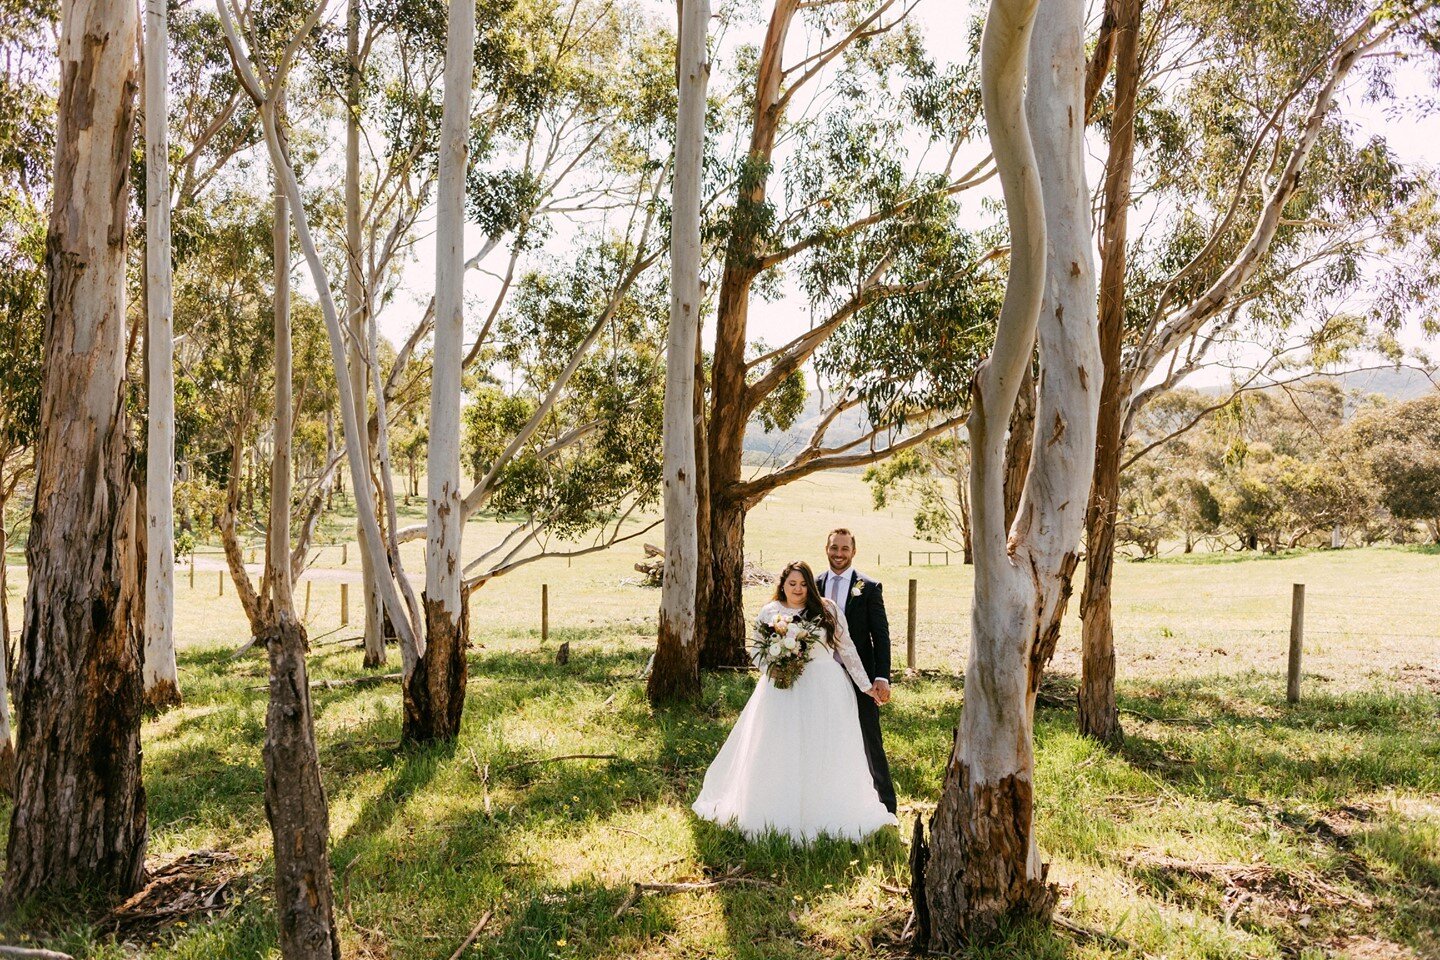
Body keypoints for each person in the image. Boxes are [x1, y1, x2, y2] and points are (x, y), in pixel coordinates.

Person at [691, 560, 897, 843]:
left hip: (825, 687)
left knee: (823, 748)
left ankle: (827, 810)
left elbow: (847, 650)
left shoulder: (827, 610)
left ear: (810, 585)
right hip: (783, 688)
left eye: (802, 584)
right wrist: (771, 668)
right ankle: (776, 810)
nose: (798, 589)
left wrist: (865, 686)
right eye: (792, 584)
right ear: (783, 584)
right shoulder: (770, 611)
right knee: (780, 746)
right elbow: (756, 651)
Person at [816, 528, 896, 814]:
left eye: (844, 549)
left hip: (860, 675)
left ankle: (886, 805)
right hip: (823, 675)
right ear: (826, 548)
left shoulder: (869, 587)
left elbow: (881, 635)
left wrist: (881, 676)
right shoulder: (813, 585)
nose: (839, 554)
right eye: (834, 548)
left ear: (853, 551)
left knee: (870, 737)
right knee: (824, 735)